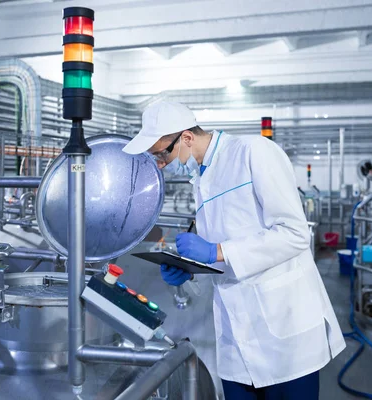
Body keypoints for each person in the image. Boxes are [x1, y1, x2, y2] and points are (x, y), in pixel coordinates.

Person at [123, 101, 345, 400]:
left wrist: (216, 251)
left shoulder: (254, 152)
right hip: (235, 336)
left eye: (163, 154)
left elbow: (294, 234)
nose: (161, 165)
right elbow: (223, 258)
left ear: (186, 138)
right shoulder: (201, 179)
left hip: (284, 327)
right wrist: (189, 273)